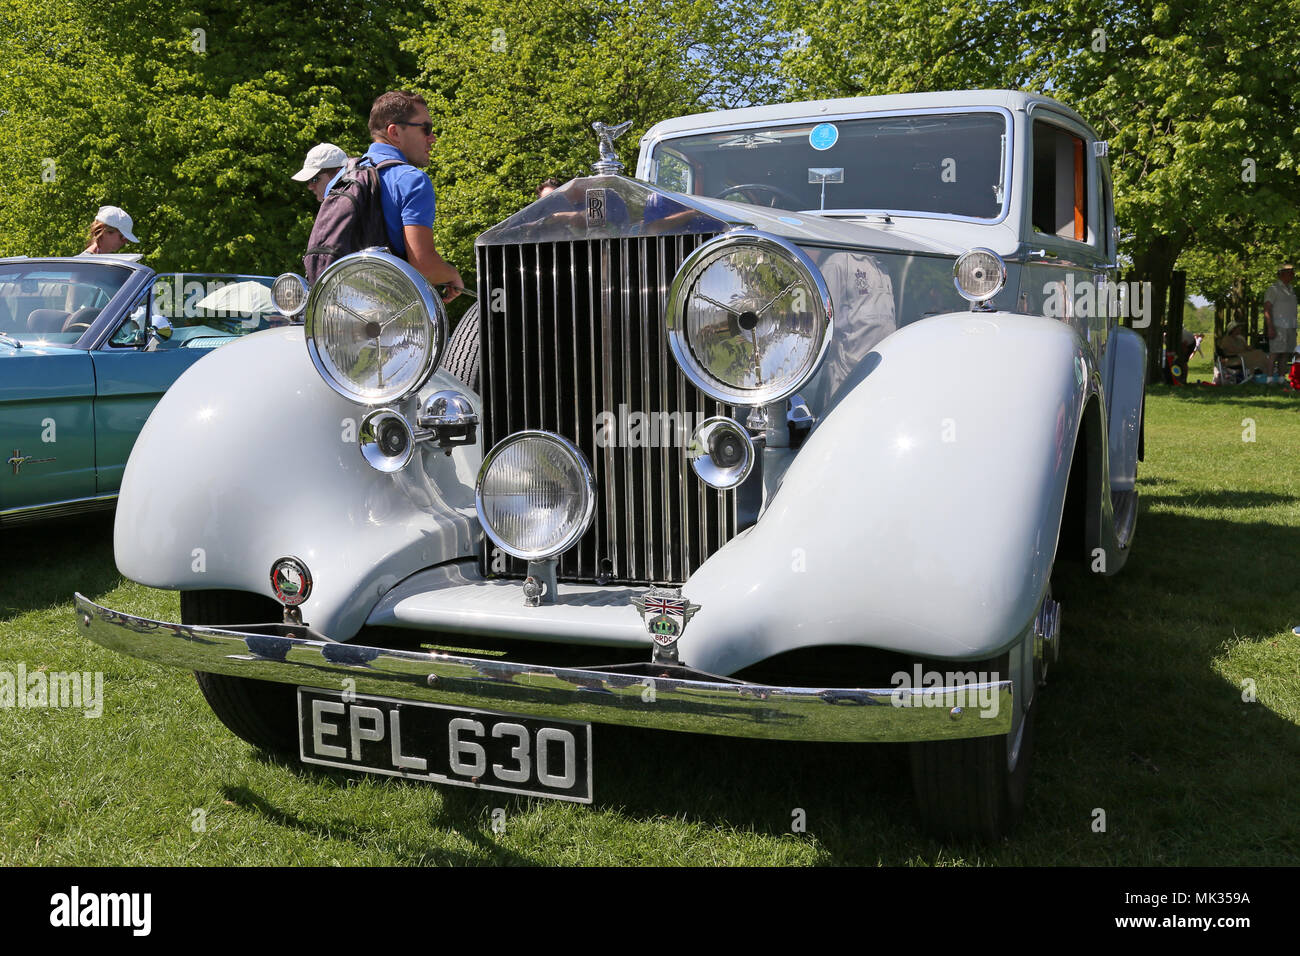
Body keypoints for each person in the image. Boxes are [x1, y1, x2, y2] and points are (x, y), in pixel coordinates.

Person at [326, 90, 462, 300]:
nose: (432, 138)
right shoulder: (412, 180)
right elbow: (424, 266)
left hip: (336, 309)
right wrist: (452, 274)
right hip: (386, 315)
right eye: (426, 129)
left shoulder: (339, 180)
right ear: (395, 132)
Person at [1263, 263, 1296, 377]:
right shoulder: (1273, 289)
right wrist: (1270, 327)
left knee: (1285, 355)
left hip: (1290, 326)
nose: (1292, 274)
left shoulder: (1291, 290)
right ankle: (1269, 380)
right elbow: (1266, 309)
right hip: (1278, 326)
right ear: (1282, 274)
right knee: (1274, 354)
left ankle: (1281, 380)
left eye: (1293, 271)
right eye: (1290, 272)